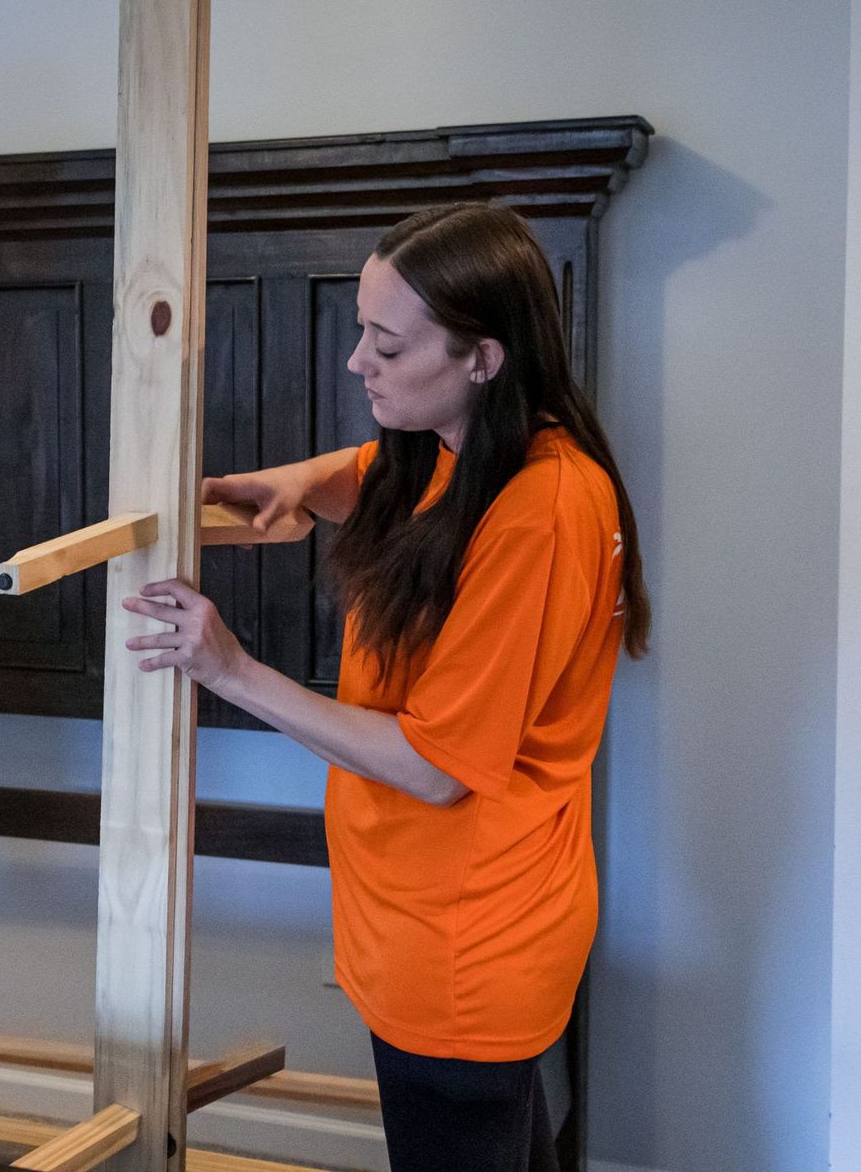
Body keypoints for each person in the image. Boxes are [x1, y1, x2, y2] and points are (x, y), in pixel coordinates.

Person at [123, 202, 649, 1171]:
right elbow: (376, 478)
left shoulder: (541, 507)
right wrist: (295, 480)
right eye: (363, 330)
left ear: (482, 357)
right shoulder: (460, 449)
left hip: (465, 947)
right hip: (430, 921)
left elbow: (435, 766)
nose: (357, 360)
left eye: (388, 344)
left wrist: (229, 669)